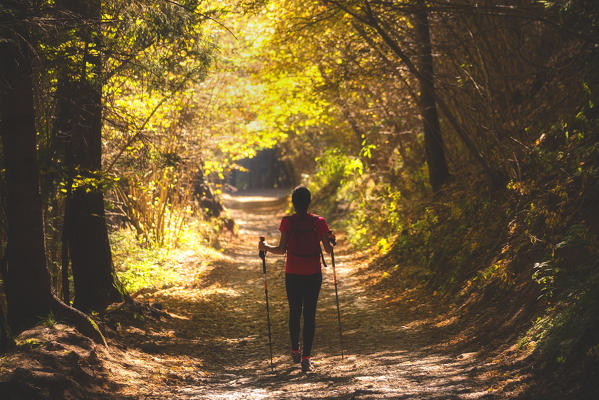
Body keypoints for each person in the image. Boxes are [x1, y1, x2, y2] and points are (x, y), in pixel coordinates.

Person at [258, 185, 334, 372]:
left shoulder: (288, 222)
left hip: (292, 274)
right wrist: (332, 240)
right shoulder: (319, 222)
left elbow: (281, 249)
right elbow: (328, 250)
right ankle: (306, 358)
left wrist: (264, 246)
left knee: (294, 311)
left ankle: (295, 350)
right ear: (309, 202)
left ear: (293, 203)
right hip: (313, 275)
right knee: (310, 315)